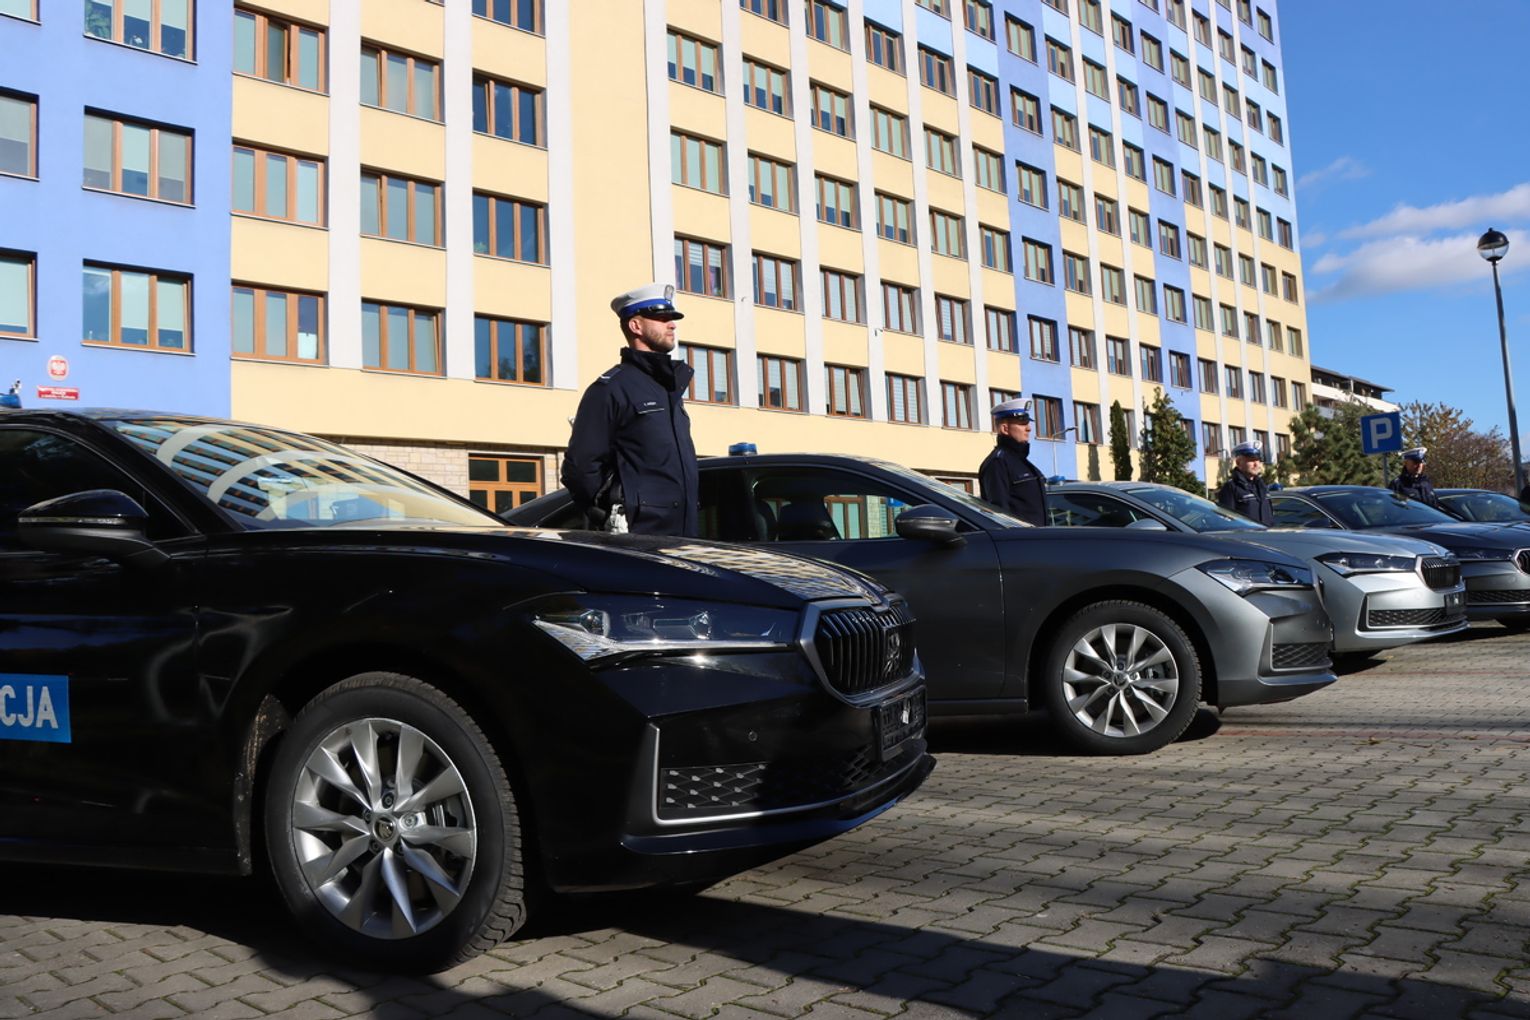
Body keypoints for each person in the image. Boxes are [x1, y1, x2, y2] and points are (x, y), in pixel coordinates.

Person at [561, 283, 699, 537]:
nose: (672, 325)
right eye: (662, 319)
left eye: (672, 319)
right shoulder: (611, 389)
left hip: (683, 536)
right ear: (636, 326)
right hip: (640, 538)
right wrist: (607, 514)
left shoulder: (667, 390)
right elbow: (579, 468)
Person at [978, 398, 1047, 526]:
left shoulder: (1021, 462)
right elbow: (999, 513)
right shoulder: (998, 463)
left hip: (1037, 536)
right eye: (1022, 424)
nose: (1028, 428)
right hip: (1019, 537)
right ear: (1005, 429)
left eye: (1028, 423)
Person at [1217, 440, 1274, 525]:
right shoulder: (1231, 487)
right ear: (1238, 462)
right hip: (1244, 533)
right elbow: (1227, 521)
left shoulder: (1262, 486)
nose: (1256, 464)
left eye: (1258, 460)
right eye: (1251, 460)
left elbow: (1270, 517)